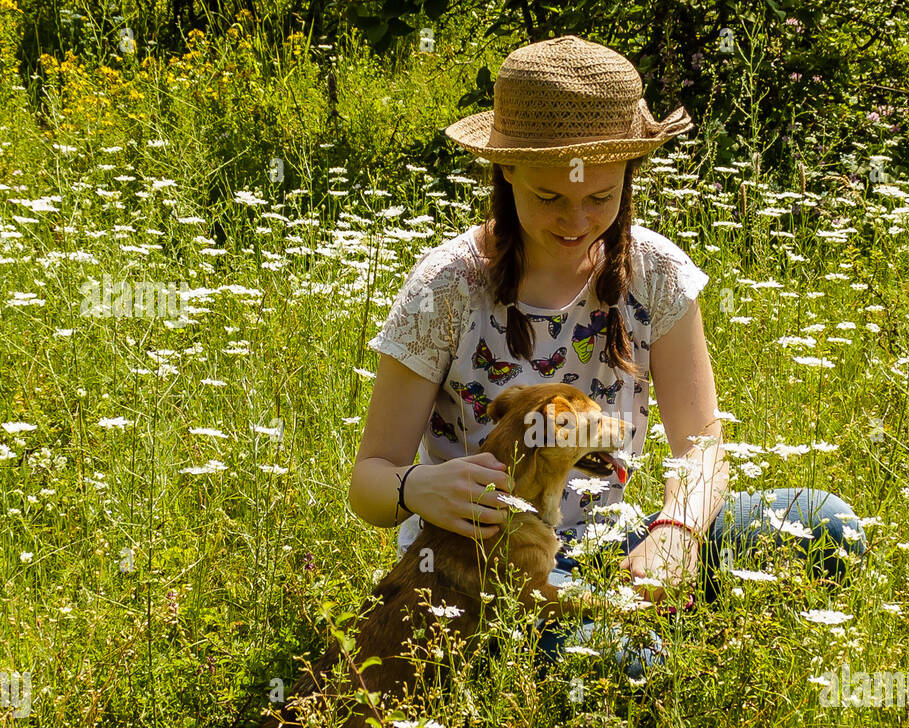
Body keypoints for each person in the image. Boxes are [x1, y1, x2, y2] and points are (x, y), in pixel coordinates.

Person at [348, 35, 866, 678]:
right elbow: (368, 480)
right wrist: (414, 487)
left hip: (618, 543)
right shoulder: (445, 288)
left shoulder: (656, 274)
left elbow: (701, 445)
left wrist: (676, 530)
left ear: (630, 174)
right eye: (549, 197)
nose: (576, 220)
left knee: (825, 526)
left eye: (600, 196)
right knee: (623, 668)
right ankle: (625, 653)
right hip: (482, 575)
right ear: (505, 171)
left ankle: (672, 636)